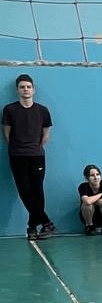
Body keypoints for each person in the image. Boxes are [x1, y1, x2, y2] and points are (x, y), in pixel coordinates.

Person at [2, 74, 55, 240]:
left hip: (37, 156)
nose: (25, 89)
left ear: (33, 89)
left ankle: (32, 227)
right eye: (22, 87)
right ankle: (46, 222)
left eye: (28, 87)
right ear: (17, 90)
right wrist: (18, 147)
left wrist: (34, 147)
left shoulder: (42, 111)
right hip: (17, 156)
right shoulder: (10, 110)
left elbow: (45, 136)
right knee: (24, 191)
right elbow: (6, 135)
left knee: (37, 191)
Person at [78, 164, 102, 235]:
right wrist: (100, 194)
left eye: (97, 174)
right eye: (92, 175)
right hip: (88, 217)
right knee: (87, 205)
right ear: (87, 178)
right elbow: (87, 202)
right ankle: (89, 227)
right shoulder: (83, 186)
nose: (96, 177)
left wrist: (91, 199)